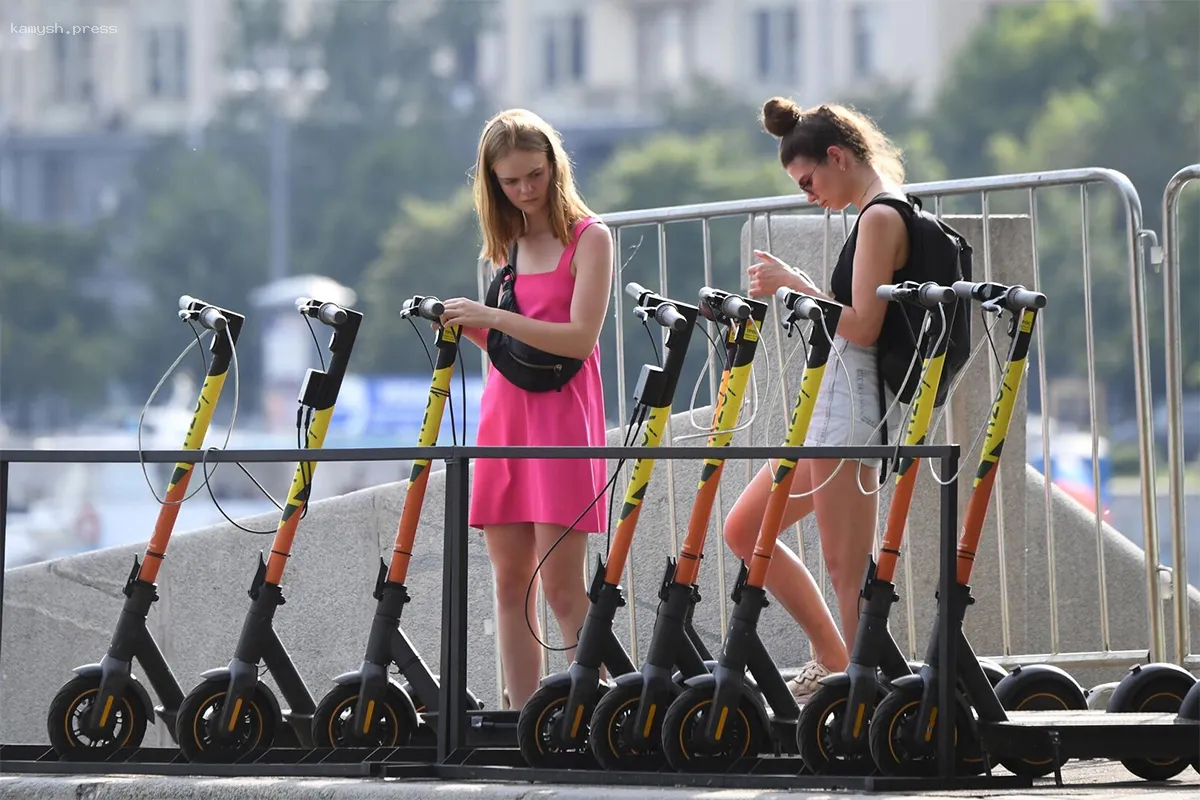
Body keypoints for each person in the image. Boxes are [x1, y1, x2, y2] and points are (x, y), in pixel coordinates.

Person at [723, 97, 908, 702]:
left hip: (848, 410)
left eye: (809, 180)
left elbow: (862, 326)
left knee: (846, 568)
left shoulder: (880, 217)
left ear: (837, 156)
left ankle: (862, 696)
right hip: (835, 407)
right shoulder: (873, 214)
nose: (808, 194)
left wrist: (792, 284)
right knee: (746, 528)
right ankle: (837, 661)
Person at [439, 108, 614, 710]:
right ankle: (523, 720)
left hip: (564, 421)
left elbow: (578, 339)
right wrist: (468, 327)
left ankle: (596, 714)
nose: (525, 190)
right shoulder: (506, 243)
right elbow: (513, 350)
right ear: (492, 184)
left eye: (534, 175)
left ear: (554, 167)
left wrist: (490, 316)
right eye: (510, 182)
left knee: (565, 591)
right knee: (509, 585)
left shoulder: (591, 237)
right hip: (506, 418)